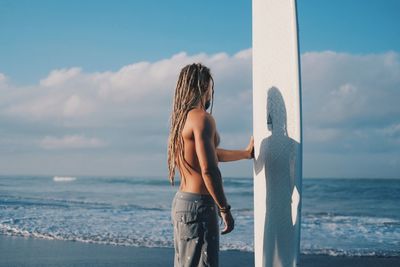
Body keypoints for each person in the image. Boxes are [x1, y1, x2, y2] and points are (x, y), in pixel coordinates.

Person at [167, 62, 254, 267]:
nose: (212, 94)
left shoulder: (182, 120)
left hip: (183, 203)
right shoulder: (203, 119)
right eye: (211, 89)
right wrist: (224, 208)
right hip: (200, 206)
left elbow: (209, 155)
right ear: (204, 86)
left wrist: (245, 154)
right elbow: (209, 169)